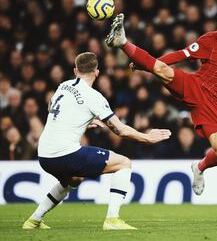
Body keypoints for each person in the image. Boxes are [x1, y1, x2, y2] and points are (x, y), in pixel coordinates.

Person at [105, 6, 217, 195]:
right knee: (161, 69)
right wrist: (148, 66)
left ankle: (199, 168)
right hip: (196, 86)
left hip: (215, 104)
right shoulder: (210, 40)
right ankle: (123, 42)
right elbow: (181, 54)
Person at [22, 52, 171, 230]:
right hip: (64, 154)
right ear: (97, 72)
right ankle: (112, 220)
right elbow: (120, 129)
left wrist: (81, 119)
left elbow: (51, 108)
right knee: (123, 163)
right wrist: (147, 137)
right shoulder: (94, 97)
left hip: (44, 155)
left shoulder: (64, 85)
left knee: (75, 179)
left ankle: (33, 220)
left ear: (75, 70)